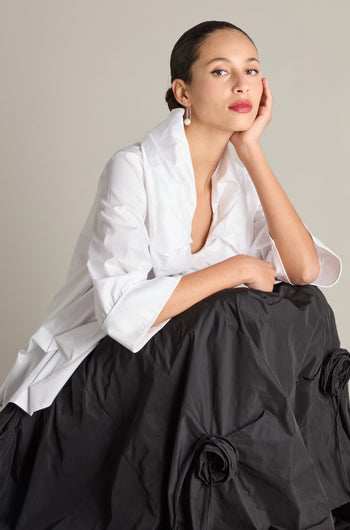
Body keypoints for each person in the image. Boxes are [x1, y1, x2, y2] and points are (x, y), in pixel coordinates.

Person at [0, 19, 350, 530]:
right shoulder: (133, 169)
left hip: (189, 376)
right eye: (221, 70)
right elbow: (120, 314)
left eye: (251, 71)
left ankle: (299, 498)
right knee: (229, 313)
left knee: (303, 304)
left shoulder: (239, 177)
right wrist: (234, 268)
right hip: (101, 373)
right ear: (182, 91)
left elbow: (305, 270)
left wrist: (251, 149)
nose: (241, 84)